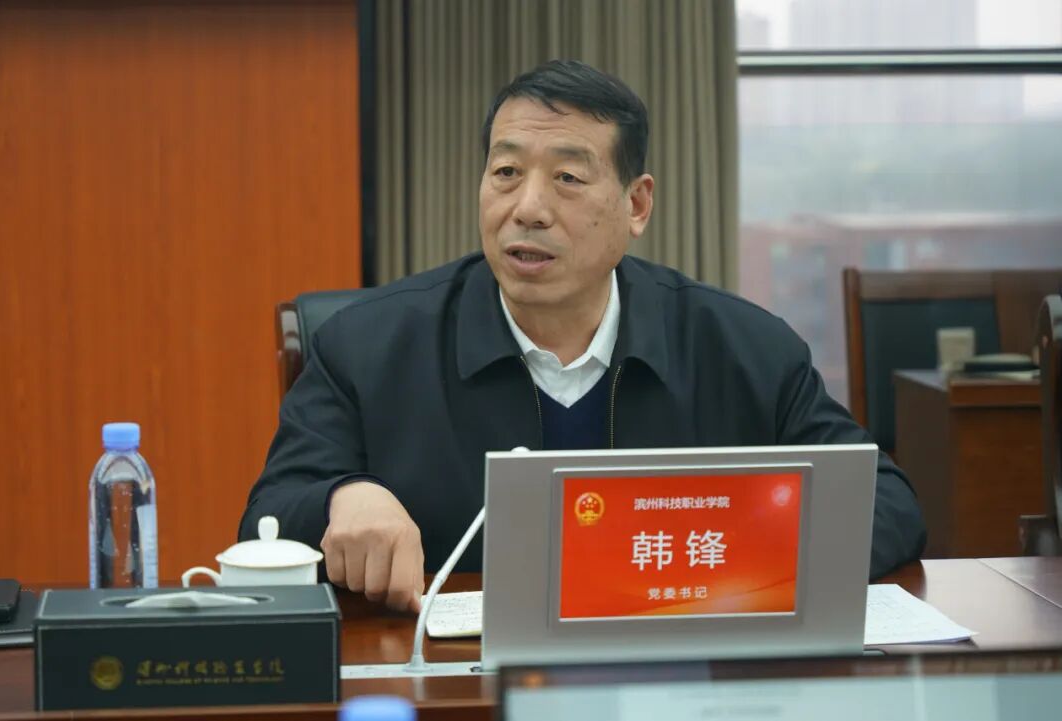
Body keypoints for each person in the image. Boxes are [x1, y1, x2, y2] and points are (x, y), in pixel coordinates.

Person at [239, 60, 926, 613]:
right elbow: (266, 518)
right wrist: (342, 497)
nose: (528, 208)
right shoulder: (366, 346)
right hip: (455, 681)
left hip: (676, 666)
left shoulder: (742, 347)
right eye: (506, 173)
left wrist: (720, 558)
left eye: (567, 178)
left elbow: (887, 504)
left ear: (636, 204)